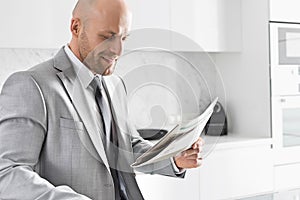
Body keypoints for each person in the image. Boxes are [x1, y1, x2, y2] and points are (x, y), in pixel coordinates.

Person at [0, 0, 204, 199]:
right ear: (76, 27)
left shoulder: (115, 84)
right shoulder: (31, 85)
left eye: (123, 38)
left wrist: (173, 158)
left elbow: (126, 147)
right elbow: (8, 173)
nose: (118, 51)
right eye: (107, 37)